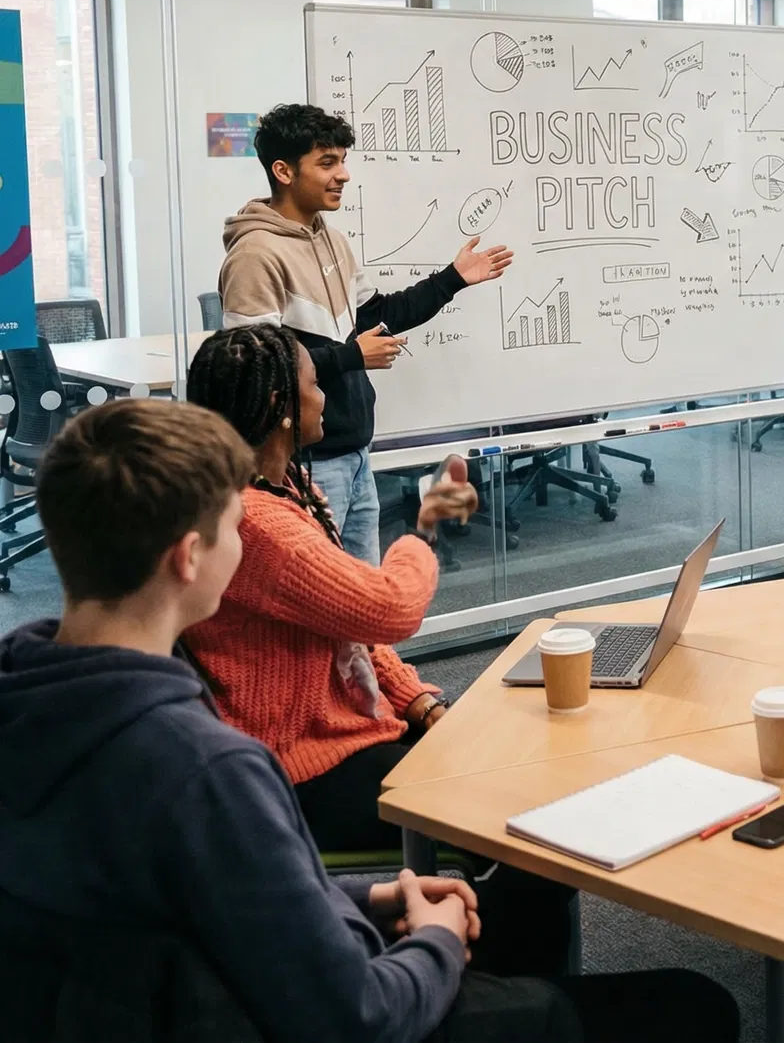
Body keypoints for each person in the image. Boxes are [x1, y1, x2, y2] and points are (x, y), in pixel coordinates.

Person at [0, 398, 738, 1043]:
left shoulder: (36, 704)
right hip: (283, 1015)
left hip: (151, 1006)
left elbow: (220, 893)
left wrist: (374, 897)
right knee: (697, 1007)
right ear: (189, 558)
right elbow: (356, 1017)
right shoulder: (205, 769)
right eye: (233, 528)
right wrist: (442, 942)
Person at [182, 324, 575, 976]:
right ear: (282, 407)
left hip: (347, 732)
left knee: (528, 789)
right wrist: (425, 526)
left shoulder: (285, 492)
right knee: (533, 825)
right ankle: (498, 978)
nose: (326, 396)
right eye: (314, 384)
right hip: (301, 768)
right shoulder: (259, 522)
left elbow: (348, 632)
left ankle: (502, 961)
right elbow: (390, 607)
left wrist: (418, 701)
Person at [219, 103, 514, 564]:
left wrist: (452, 278)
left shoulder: (331, 239)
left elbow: (378, 313)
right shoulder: (254, 255)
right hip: (308, 460)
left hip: (355, 451)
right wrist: (351, 357)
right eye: (327, 163)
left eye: (342, 160)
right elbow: (256, 371)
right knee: (329, 602)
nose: (343, 174)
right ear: (283, 171)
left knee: (363, 602)